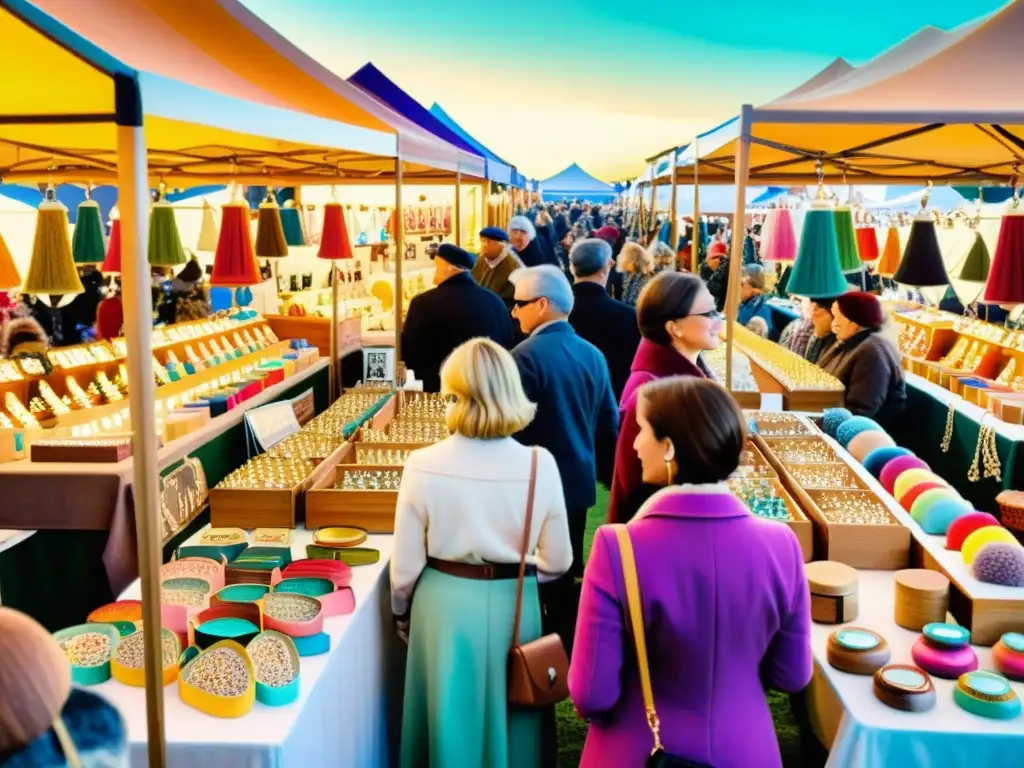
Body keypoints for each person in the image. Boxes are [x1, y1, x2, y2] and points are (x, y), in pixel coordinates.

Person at [570, 377, 812, 768]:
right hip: (745, 746)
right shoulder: (782, 544)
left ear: (669, 447)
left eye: (642, 430)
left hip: (638, 746)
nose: (633, 444)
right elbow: (791, 674)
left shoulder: (618, 547)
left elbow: (591, 693)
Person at [392, 339, 572, 768]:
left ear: (452, 393)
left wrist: (401, 613)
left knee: (446, 716)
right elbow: (560, 561)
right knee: (517, 710)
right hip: (516, 602)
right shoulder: (538, 463)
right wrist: (520, 574)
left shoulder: (422, 462)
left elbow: (404, 570)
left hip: (444, 603)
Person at [510, 265, 618, 652]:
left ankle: (536, 650)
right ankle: (566, 647)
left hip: (532, 485)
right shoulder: (592, 354)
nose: (513, 312)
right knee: (565, 569)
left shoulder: (524, 356)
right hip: (577, 481)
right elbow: (609, 424)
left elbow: (508, 430)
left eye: (519, 304)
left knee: (531, 575)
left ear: (541, 305)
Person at [608, 272, 722, 524]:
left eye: (716, 311)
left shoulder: (681, 378)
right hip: (661, 536)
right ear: (674, 327)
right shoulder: (650, 390)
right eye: (709, 314)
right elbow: (634, 485)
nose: (718, 321)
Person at [401, 243, 513, 392]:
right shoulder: (495, 301)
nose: (434, 277)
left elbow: (410, 353)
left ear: (448, 268)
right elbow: (507, 344)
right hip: (487, 391)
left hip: (440, 393)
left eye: (437, 268)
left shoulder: (422, 304)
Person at [818, 291, 907, 429]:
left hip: (856, 437)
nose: (833, 324)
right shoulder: (847, 341)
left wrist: (812, 422)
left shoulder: (872, 352)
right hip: (825, 419)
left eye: (837, 318)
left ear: (854, 322)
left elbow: (859, 412)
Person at [567, 238, 641, 402]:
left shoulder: (558, 312)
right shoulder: (628, 316)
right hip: (613, 402)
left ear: (573, 267)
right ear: (607, 266)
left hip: (567, 404)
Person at [471, 226, 522, 308]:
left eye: (488, 242)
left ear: (502, 245)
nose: (483, 245)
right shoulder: (482, 259)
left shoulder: (510, 267)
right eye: (482, 241)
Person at [617, 242, 654, 307]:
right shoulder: (630, 273)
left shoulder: (645, 278)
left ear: (633, 260)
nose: (621, 258)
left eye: (625, 257)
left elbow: (635, 304)